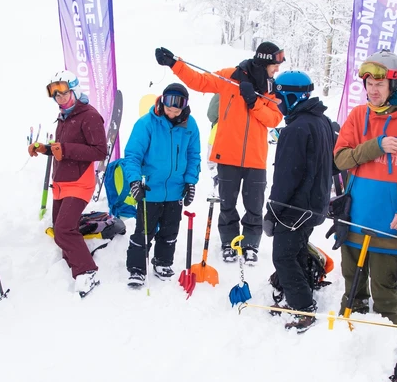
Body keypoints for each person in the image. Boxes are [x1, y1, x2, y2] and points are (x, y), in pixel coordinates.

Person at [332, 50, 397, 324]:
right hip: (354, 216)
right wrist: (376, 146)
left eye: (379, 84)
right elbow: (341, 158)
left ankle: (387, 340)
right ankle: (348, 338)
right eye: (368, 84)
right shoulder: (357, 115)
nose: (372, 90)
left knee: (384, 290)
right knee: (352, 285)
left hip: (390, 222)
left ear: (393, 84)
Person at [155, 42, 283, 264]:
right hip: (227, 155)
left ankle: (251, 243)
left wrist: (253, 101)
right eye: (274, 65)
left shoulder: (271, 89)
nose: (277, 70)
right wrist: (174, 64)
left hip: (256, 158)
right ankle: (229, 241)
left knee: (254, 205)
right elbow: (200, 81)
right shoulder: (230, 77)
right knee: (227, 204)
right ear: (264, 62)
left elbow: (274, 119)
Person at [262, 71, 335, 333]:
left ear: (291, 96)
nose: (277, 102)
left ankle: (303, 309)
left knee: (282, 257)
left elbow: (285, 177)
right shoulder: (322, 121)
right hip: (314, 205)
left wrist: (272, 211)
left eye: (279, 96)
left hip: (296, 209)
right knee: (297, 250)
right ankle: (302, 291)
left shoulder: (296, 129)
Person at [28, 71, 107, 297]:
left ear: (75, 90)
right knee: (62, 228)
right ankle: (73, 259)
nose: (60, 98)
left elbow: (100, 150)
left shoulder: (89, 116)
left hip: (80, 182)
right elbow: (61, 149)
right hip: (62, 182)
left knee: (62, 230)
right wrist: (44, 148)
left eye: (64, 93)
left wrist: (66, 150)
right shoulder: (64, 116)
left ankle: (87, 271)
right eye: (56, 95)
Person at [121, 83, 201, 288]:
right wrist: (134, 181)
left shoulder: (190, 126)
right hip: (150, 189)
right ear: (162, 100)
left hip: (175, 190)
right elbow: (132, 156)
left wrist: (190, 182)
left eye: (178, 105)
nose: (173, 110)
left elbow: (194, 156)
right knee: (144, 231)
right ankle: (137, 268)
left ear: (185, 105)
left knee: (170, 230)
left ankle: (163, 262)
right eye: (169, 104)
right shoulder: (147, 123)